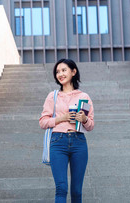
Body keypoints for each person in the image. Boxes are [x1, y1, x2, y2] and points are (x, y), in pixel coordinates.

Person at [39, 59, 94, 203]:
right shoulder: (53, 96)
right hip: (58, 142)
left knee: (76, 190)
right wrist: (61, 118)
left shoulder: (84, 97)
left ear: (73, 72)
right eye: (57, 72)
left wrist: (84, 119)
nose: (60, 74)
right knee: (61, 188)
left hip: (79, 143)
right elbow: (43, 122)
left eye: (64, 70)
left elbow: (91, 126)